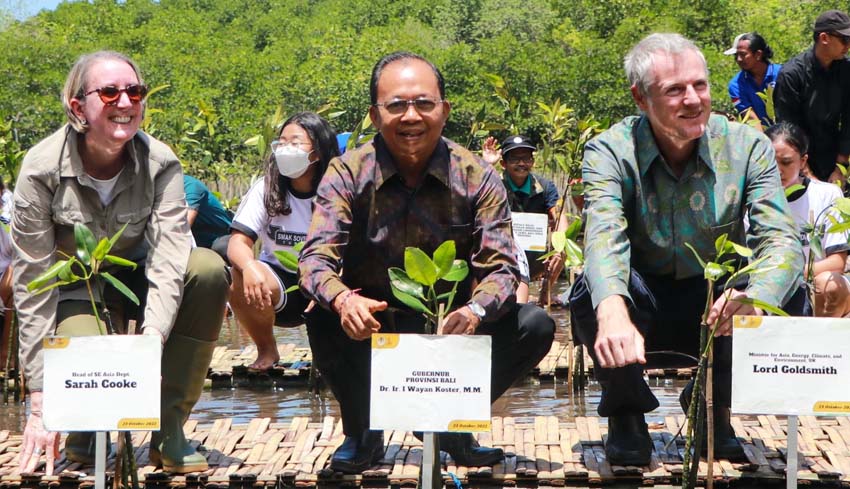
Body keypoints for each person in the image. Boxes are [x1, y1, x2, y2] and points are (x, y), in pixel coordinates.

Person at [299, 52, 555, 474]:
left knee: (534, 324)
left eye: (424, 103)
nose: (411, 116)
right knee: (322, 313)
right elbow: (314, 261)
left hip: (452, 326)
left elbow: (503, 269)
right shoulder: (345, 172)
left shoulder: (477, 175)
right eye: (396, 105)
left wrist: (474, 310)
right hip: (373, 325)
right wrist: (345, 302)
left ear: (445, 110)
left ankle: (453, 420)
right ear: (374, 114)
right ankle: (362, 431)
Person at [569, 33, 804, 466]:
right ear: (641, 98)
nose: (693, 99)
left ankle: (712, 406)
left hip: (716, 307)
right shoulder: (608, 150)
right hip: (643, 308)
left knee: (791, 292)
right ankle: (626, 413)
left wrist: (756, 298)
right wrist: (612, 307)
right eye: (674, 90)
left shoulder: (748, 147)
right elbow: (604, 236)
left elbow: (782, 241)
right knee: (591, 292)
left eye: (700, 85)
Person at [12, 51, 229, 475]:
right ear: (79, 107)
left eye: (135, 91)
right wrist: (40, 395)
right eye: (109, 93)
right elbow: (32, 283)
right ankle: (85, 429)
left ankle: (169, 429)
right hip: (77, 283)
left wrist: (153, 339)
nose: (126, 103)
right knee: (88, 414)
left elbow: (170, 258)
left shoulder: (161, 162)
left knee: (206, 268)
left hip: (142, 274)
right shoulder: (40, 170)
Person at [227, 112, 339, 371]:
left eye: (296, 142)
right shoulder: (266, 188)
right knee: (237, 275)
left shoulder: (338, 189)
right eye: (282, 143)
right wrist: (251, 268)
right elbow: (237, 242)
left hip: (329, 280)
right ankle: (267, 349)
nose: (286, 149)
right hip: (279, 284)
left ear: (318, 152)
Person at [765, 122, 850, 317]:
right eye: (771, 162)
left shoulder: (827, 195)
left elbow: (837, 261)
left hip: (815, 283)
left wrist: (790, 273)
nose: (778, 171)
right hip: (773, 286)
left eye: (786, 162)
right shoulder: (755, 200)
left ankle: (822, 342)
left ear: (803, 161)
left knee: (830, 285)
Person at [774, 9, 850, 182]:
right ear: (824, 38)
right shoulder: (791, 75)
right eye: (844, 40)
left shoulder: (846, 70)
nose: (848, 46)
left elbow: (849, 119)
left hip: (835, 156)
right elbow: (788, 130)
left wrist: (841, 166)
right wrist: (807, 175)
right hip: (799, 163)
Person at [483, 135, 567, 283]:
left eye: (526, 159)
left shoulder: (546, 187)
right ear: (503, 163)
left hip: (537, 255)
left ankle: (545, 293)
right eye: (515, 159)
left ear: (532, 162)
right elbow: (477, 192)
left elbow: (560, 218)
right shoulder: (495, 185)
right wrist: (487, 165)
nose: (521, 163)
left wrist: (560, 249)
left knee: (563, 250)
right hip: (503, 251)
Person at [725, 32, 781, 127]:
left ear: (758, 54)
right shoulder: (735, 86)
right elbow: (752, 119)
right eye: (736, 55)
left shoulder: (782, 74)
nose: (738, 59)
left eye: (743, 54)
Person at [183, 174, 232, 257]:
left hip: (219, 238)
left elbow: (182, 229)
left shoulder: (190, 186)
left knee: (222, 247)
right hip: (196, 242)